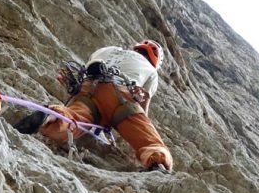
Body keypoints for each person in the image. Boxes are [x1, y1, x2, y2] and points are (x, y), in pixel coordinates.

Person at [16, 40, 173, 172]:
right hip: (120, 95)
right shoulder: (151, 70)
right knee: (150, 141)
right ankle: (157, 163)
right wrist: (129, 126)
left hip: (88, 89)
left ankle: (49, 117)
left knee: (74, 119)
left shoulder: (108, 50)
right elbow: (143, 110)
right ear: (155, 60)